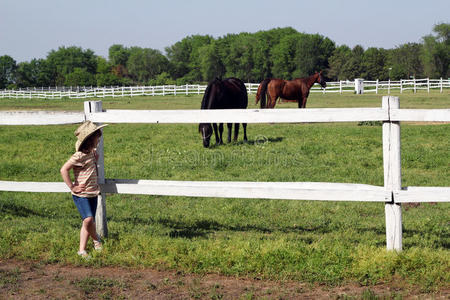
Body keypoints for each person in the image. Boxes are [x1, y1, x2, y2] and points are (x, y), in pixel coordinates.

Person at [60, 121, 108, 258]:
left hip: (92, 192)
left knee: (88, 222)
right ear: (90, 139)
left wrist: (96, 160)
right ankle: (97, 240)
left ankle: (82, 250)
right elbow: (63, 169)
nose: (99, 140)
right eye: (97, 137)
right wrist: (72, 186)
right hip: (81, 194)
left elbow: (90, 168)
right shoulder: (78, 155)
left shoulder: (92, 154)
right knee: (88, 220)